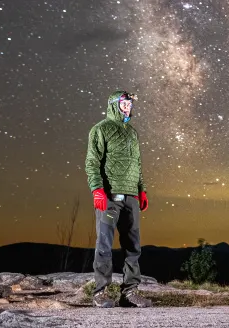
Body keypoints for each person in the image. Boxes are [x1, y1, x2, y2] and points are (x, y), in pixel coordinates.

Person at [84, 90, 151, 308]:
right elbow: (92, 162)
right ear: (114, 104)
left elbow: (137, 164)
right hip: (110, 195)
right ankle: (100, 292)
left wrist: (142, 189)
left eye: (130, 103)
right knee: (104, 243)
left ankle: (129, 292)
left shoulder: (132, 133)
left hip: (131, 196)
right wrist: (97, 190)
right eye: (124, 103)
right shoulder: (100, 129)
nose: (128, 106)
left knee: (133, 246)